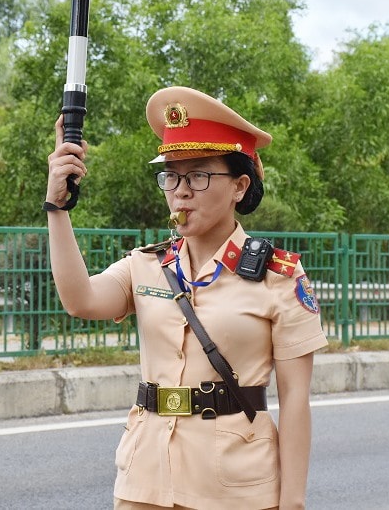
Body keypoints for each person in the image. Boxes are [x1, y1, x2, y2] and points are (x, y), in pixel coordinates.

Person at [45, 86, 328, 510]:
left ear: (239, 186)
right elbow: (81, 300)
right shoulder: (146, 265)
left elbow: (295, 403)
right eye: (171, 175)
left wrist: (293, 503)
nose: (180, 191)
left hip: (236, 491)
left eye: (198, 175)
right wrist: (58, 207)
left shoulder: (278, 277)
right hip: (145, 485)